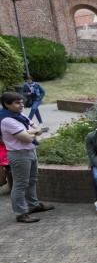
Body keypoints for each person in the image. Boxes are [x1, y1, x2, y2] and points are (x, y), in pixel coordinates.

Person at [0, 91, 54, 222]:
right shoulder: (7, 120)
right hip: (19, 155)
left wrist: (31, 131)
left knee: (32, 180)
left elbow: (36, 128)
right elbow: (27, 138)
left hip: (30, 152)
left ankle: (33, 205)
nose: (21, 105)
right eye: (17, 103)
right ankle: (21, 213)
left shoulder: (20, 115)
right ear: (7, 104)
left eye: (22, 102)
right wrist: (32, 132)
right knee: (20, 184)